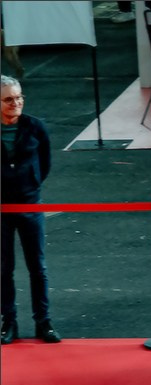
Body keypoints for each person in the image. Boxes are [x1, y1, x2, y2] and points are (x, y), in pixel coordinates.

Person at [2, 74, 59, 344]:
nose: (16, 103)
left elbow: (44, 163)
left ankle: (43, 322)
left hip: (30, 204)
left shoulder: (36, 127)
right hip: (0, 209)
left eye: (19, 97)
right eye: (9, 99)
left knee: (38, 266)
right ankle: (8, 322)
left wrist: (31, 184)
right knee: (3, 268)